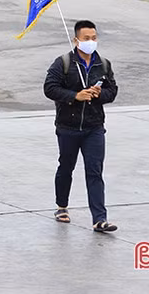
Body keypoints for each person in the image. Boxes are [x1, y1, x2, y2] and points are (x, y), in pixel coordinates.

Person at [44, 20, 119, 233]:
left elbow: (112, 91)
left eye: (94, 38)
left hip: (94, 127)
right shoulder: (63, 63)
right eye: (86, 38)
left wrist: (98, 95)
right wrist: (75, 96)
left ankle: (99, 219)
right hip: (68, 126)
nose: (91, 42)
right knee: (66, 167)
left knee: (94, 170)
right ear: (76, 40)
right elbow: (49, 88)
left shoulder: (103, 64)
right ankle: (61, 206)